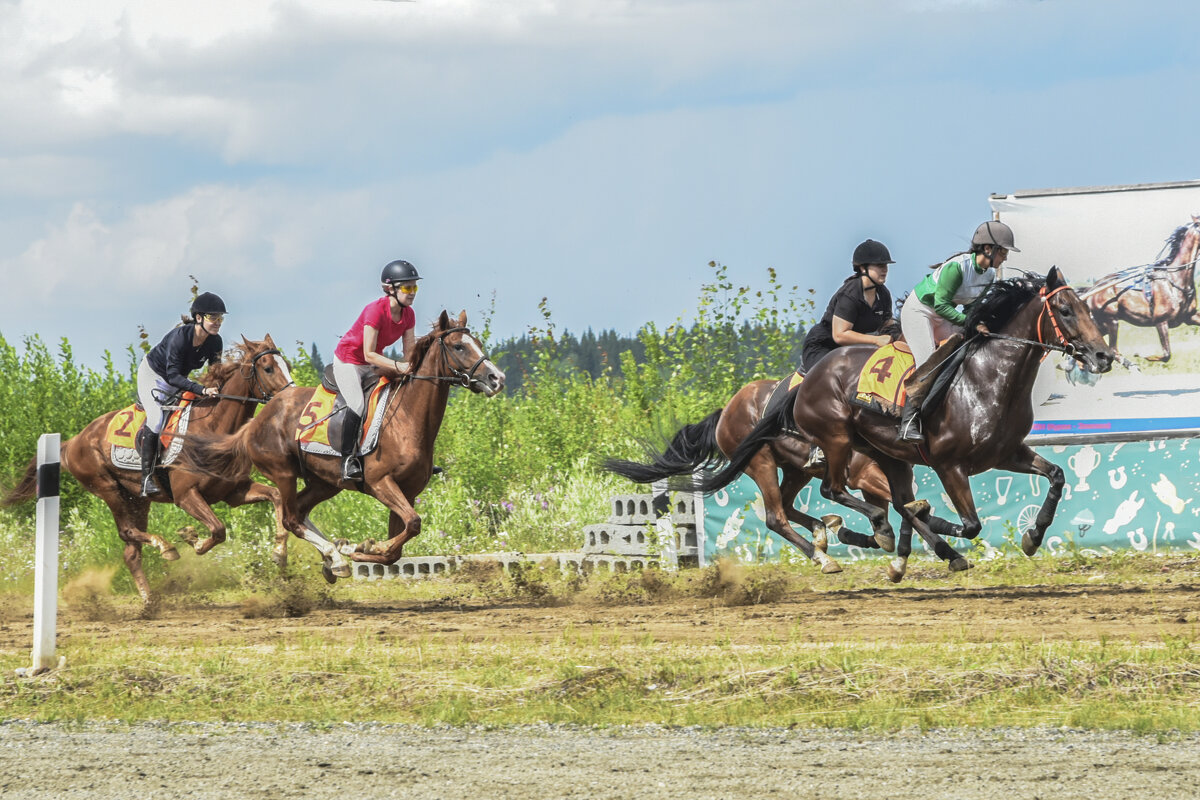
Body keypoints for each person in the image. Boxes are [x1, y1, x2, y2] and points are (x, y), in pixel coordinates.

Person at [896, 219, 1019, 443]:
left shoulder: (989, 275)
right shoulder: (957, 267)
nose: (1005, 258)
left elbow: (971, 308)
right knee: (927, 361)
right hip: (920, 311)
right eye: (1002, 252)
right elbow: (942, 305)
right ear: (987, 248)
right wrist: (971, 323)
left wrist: (978, 324)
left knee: (970, 346)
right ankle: (908, 421)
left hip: (942, 315)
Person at [332, 259, 419, 481]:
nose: (412, 293)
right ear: (390, 289)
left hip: (371, 364)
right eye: (407, 287)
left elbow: (410, 351)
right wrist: (398, 366)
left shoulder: (409, 314)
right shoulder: (375, 311)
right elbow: (369, 353)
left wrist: (413, 367)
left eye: (414, 287)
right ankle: (347, 461)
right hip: (349, 361)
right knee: (358, 405)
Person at [136, 292, 226, 496]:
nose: (218, 322)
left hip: (177, 380)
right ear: (199, 318)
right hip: (154, 376)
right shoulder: (180, 338)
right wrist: (201, 389)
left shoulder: (215, 341)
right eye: (214, 318)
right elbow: (173, 376)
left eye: (220, 318)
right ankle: (146, 479)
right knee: (157, 419)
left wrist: (218, 388)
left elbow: (215, 372)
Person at [800, 238, 897, 373]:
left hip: (853, 350)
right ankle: (790, 395)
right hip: (824, 347)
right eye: (880, 265)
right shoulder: (850, 294)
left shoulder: (883, 294)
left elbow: (888, 326)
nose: (885, 269)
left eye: (886, 265)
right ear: (863, 268)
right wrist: (876, 340)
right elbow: (840, 335)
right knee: (828, 378)